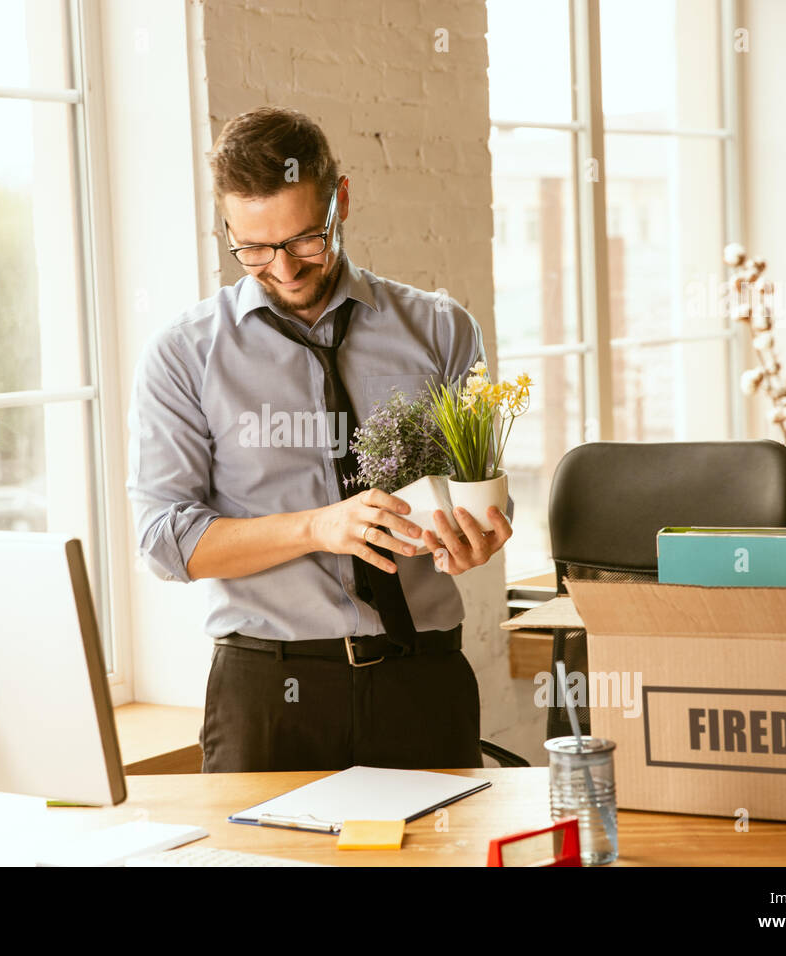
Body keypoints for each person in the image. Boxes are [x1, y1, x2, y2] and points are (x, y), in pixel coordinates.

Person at [127, 106, 513, 772]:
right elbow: (164, 540)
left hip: (422, 677)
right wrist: (318, 528)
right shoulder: (183, 355)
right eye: (252, 248)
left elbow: (473, 490)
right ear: (227, 227)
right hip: (268, 694)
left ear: (340, 200)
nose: (283, 268)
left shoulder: (444, 331)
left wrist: (478, 535)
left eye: (305, 239)